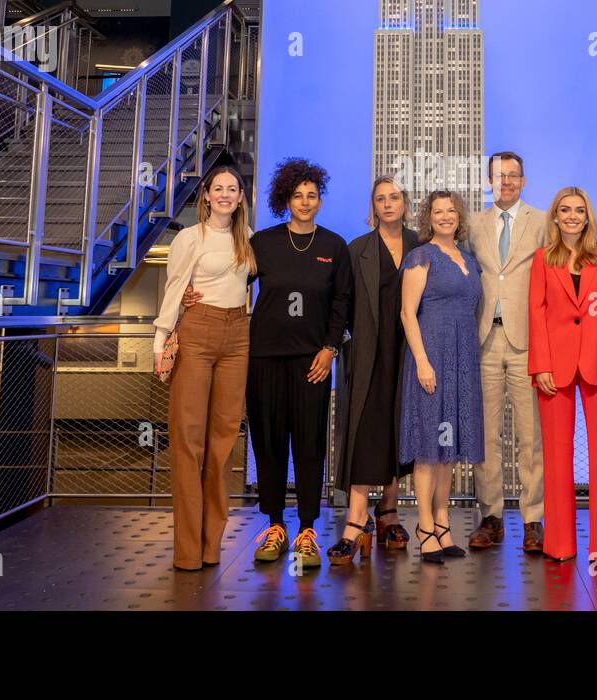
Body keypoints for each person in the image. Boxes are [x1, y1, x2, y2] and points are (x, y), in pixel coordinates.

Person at [187, 157, 353, 569]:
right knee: (269, 442)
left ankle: (309, 528)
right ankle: (276, 524)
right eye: (298, 195)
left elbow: (342, 303)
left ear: (320, 200)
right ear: (286, 198)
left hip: (312, 361)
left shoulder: (334, 246)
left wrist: (329, 348)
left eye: (312, 195)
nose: (305, 201)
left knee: (311, 445)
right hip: (263, 358)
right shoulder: (262, 242)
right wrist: (193, 295)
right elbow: (230, 281)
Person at [153, 165, 255, 571]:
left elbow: (247, 286)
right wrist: (160, 342)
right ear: (207, 196)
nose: (226, 194)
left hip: (238, 336)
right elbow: (175, 289)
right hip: (196, 332)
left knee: (223, 443)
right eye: (219, 188)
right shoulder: (188, 238)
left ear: (241, 197)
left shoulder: (247, 239)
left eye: (233, 188)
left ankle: (212, 546)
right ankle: (187, 551)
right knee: (187, 442)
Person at [527, 187, 597, 573]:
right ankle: (560, 544)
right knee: (556, 459)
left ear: (588, 217)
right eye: (565, 210)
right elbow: (536, 314)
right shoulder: (542, 260)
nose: (572, 216)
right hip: (554, 369)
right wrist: (540, 365)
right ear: (554, 216)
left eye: (579, 210)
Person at [328, 177, 418, 564]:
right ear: (373, 207)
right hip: (368, 354)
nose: (387, 204)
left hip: (411, 353)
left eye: (393, 197)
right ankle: (356, 518)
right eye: (380, 199)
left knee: (400, 429)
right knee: (366, 427)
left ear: (404, 203)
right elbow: (341, 303)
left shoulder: (421, 246)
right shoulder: (357, 249)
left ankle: (388, 512)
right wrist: (339, 345)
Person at [467, 152, 547, 554]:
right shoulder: (474, 224)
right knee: (486, 437)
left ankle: (533, 519)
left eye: (514, 175)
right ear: (489, 180)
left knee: (531, 438)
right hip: (484, 340)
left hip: (527, 342)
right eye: (499, 176)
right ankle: (491, 516)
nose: (507, 182)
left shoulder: (542, 221)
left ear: (524, 180)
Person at [399, 190, 485, 564]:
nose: (446, 216)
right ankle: (423, 526)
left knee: (447, 450)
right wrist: (421, 360)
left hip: (463, 358)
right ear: (428, 217)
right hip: (431, 355)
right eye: (438, 211)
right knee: (428, 447)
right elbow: (406, 313)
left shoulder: (468, 259)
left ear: (459, 216)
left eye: (451, 211)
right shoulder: (421, 256)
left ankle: (443, 523)